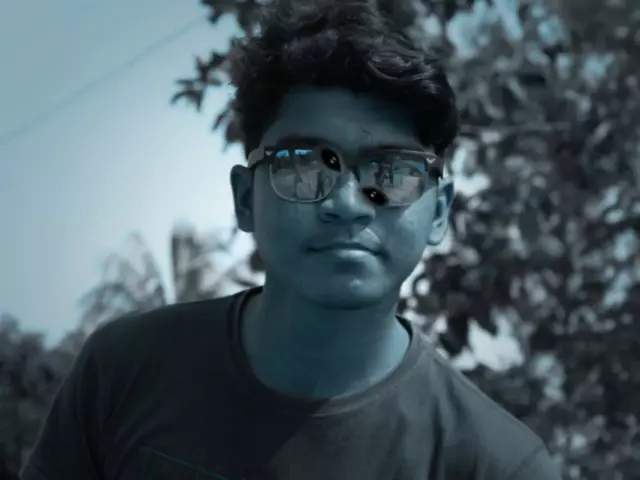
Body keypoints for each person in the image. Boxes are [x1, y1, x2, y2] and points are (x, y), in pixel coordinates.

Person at [21, 1, 562, 479]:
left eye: (391, 172)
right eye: (303, 165)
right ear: (245, 199)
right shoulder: (122, 369)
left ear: (439, 211)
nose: (347, 203)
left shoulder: (497, 465)